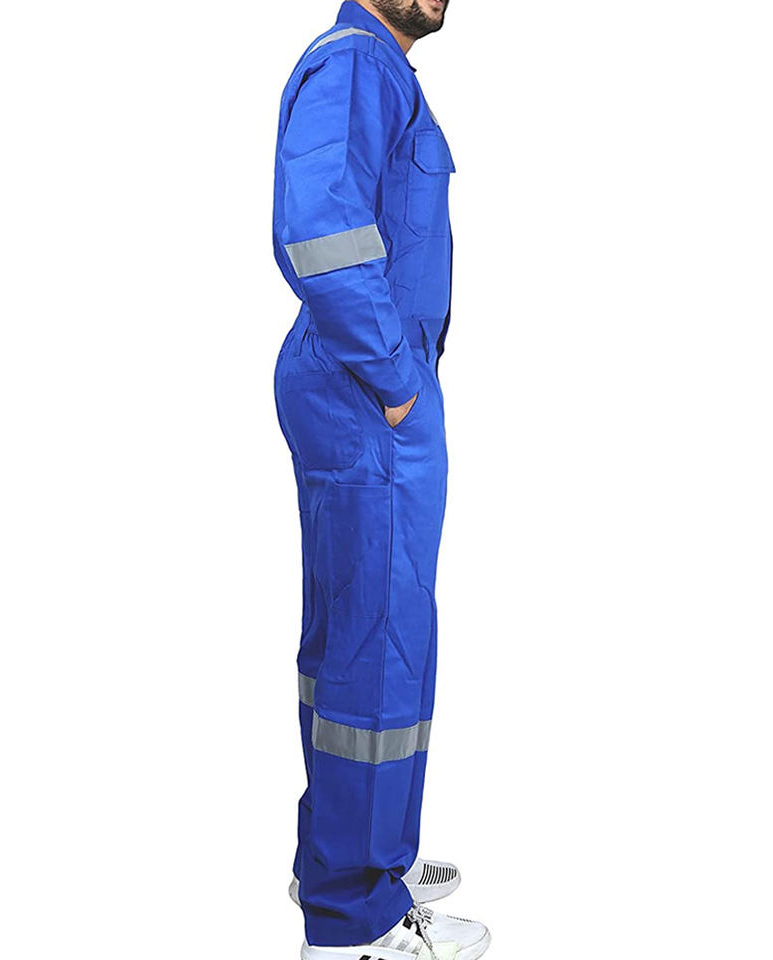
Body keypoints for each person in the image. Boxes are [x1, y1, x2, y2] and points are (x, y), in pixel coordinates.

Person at [272, 3, 490, 957]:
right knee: (381, 641)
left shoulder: (380, 69)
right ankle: (354, 917)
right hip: (368, 391)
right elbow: (319, 228)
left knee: (357, 631)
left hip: (358, 386)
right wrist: (400, 382)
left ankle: (349, 855)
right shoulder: (359, 61)